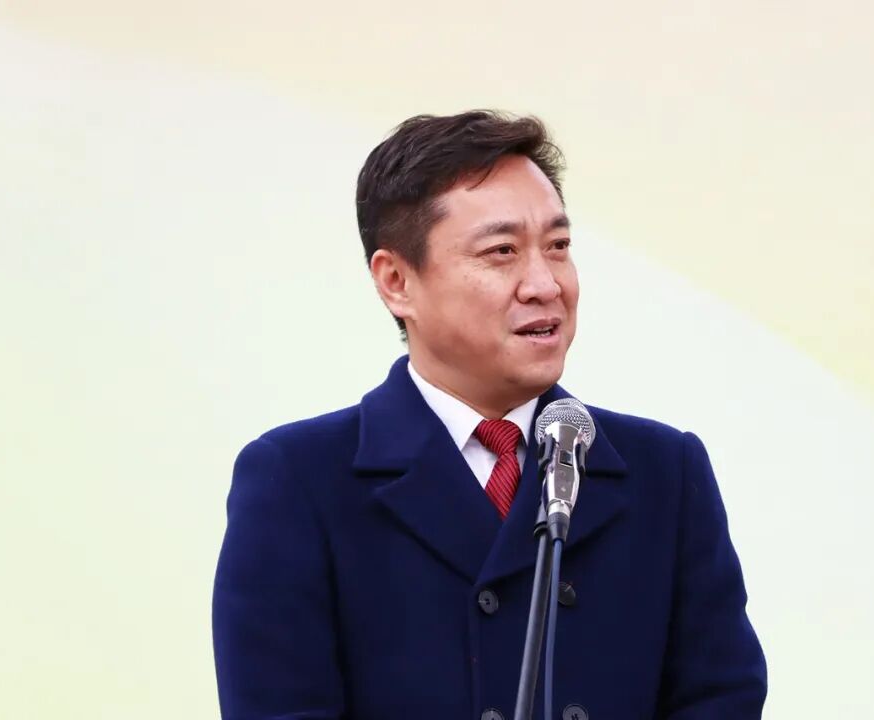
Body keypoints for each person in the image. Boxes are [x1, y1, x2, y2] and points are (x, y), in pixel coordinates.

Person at [212, 110, 767, 719]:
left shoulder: (663, 471)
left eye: (558, 247)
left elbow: (722, 699)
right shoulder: (299, 481)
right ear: (396, 281)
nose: (545, 284)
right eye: (502, 251)